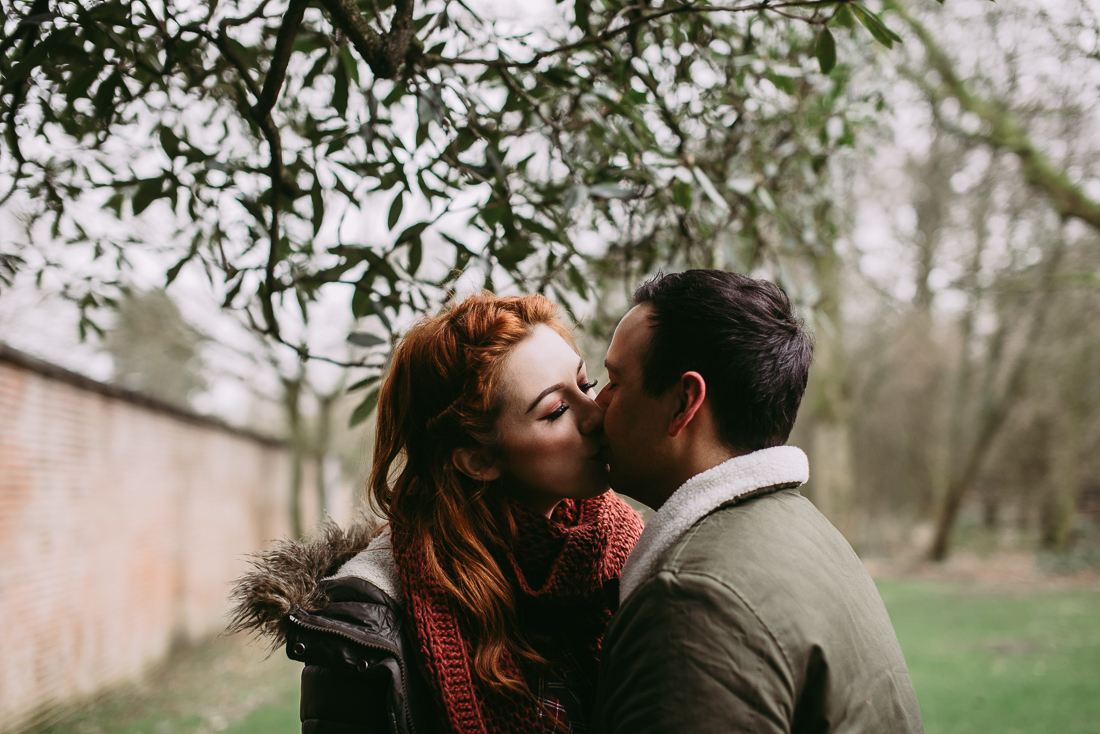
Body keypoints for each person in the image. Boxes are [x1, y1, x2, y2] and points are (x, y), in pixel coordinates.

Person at [229, 293, 644, 734]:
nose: (595, 415)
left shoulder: (628, 548)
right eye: (556, 410)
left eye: (585, 384)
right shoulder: (369, 622)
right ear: (478, 460)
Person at [592, 270, 923, 733]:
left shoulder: (693, 599)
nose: (597, 404)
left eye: (615, 381)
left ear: (683, 403)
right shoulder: (808, 533)